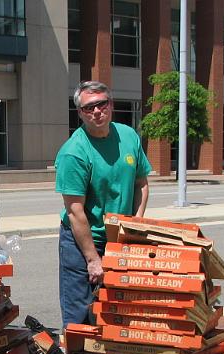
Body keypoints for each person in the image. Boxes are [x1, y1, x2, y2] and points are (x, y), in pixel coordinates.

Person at [55, 80, 151, 328]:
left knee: (118, 308)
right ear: (80, 113)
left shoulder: (128, 136)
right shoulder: (74, 152)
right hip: (83, 240)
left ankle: (109, 352)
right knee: (80, 315)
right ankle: (76, 353)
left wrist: (135, 225)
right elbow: (75, 211)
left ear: (111, 104)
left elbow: (141, 183)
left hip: (119, 237)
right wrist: (93, 259)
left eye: (101, 104)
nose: (97, 111)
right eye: (89, 107)